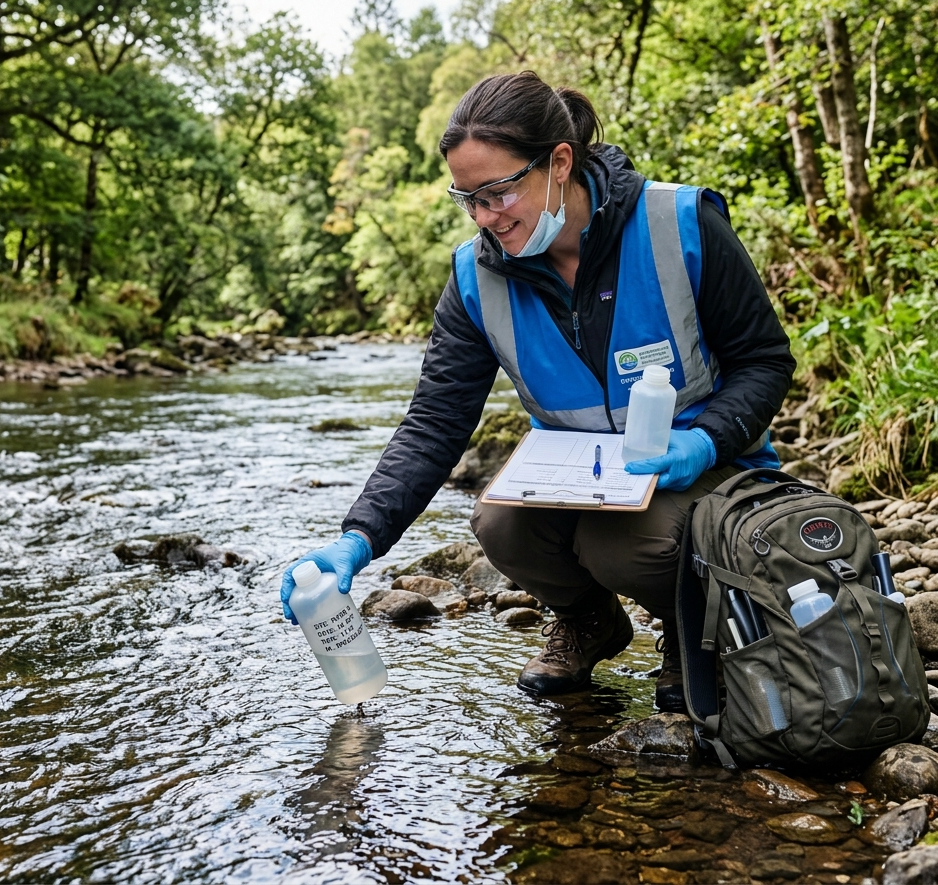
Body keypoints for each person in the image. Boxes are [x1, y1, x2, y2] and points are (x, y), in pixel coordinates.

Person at [280, 71, 795, 712]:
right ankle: (590, 621)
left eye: (497, 192)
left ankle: (696, 632)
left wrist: (707, 438)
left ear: (559, 163)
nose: (486, 218)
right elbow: (435, 421)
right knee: (498, 522)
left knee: (627, 545)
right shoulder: (476, 277)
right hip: (583, 482)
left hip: (711, 471)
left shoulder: (679, 222)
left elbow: (765, 362)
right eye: (467, 199)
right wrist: (359, 536)